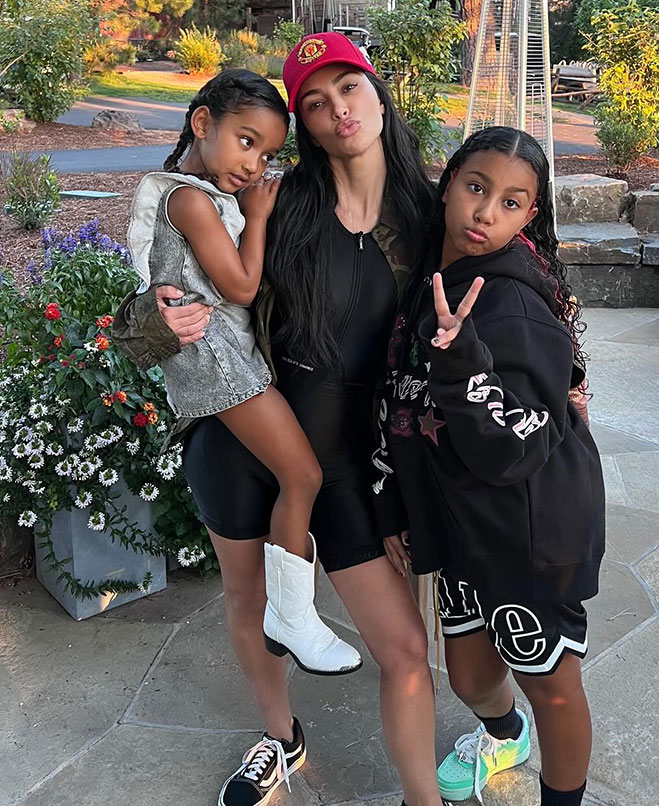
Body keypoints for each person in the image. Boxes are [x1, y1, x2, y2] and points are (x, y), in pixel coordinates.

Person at [113, 33, 445, 806]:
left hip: (354, 462)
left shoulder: (423, 213)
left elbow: (499, 279)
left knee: (402, 648)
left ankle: (422, 798)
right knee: (248, 601)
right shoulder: (274, 199)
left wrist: (564, 374)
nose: (337, 111)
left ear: (377, 93)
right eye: (316, 102)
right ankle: (281, 737)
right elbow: (151, 297)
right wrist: (156, 319)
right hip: (242, 436)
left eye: (349, 90)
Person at [373, 127, 605, 806]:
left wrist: (461, 361)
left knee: (554, 688)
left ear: (529, 216)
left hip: (528, 531)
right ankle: (505, 734)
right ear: (448, 184)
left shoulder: (511, 302)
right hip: (462, 526)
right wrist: (397, 507)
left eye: (510, 202)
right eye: (476, 188)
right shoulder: (432, 278)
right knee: (472, 676)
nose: (485, 213)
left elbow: (518, 444)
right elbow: (398, 402)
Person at [128, 67, 361, 678]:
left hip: (223, 360)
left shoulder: (200, 197)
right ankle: (291, 613)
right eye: (246, 141)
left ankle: (290, 612)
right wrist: (257, 218)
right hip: (215, 363)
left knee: (298, 475)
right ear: (203, 124)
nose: (256, 164)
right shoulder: (189, 200)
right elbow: (240, 284)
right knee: (303, 473)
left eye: (269, 153)